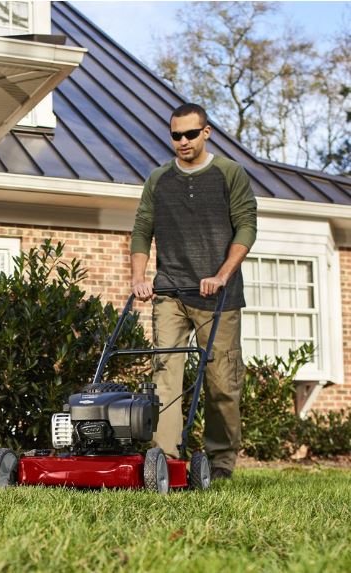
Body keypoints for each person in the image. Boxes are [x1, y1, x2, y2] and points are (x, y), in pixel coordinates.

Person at [130, 103, 257, 480]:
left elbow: (246, 227)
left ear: (206, 132)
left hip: (219, 297)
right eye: (175, 135)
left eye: (189, 134)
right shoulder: (159, 179)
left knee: (222, 382)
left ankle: (221, 461)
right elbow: (141, 230)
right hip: (170, 291)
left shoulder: (228, 173)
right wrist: (140, 276)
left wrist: (221, 275)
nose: (182, 142)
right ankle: (165, 461)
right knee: (165, 374)